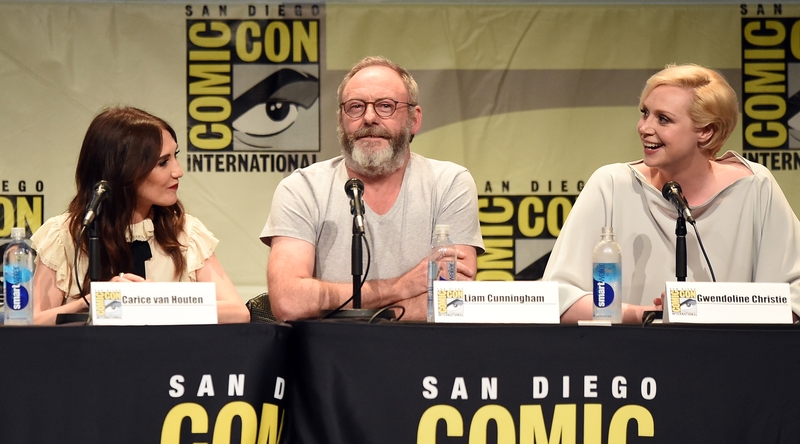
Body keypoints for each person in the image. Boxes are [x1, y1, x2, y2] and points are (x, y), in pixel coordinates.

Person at [543, 63, 800, 323]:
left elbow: (795, 296)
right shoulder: (610, 185)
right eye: (645, 113)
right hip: (629, 356)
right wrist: (651, 315)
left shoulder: (755, 188)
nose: (645, 128)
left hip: (730, 357)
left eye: (663, 119)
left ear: (706, 131)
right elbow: (559, 298)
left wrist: (710, 309)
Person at [260, 56, 484, 321]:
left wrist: (350, 314)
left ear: (414, 119)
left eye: (385, 106)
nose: (368, 117)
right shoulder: (302, 188)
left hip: (423, 354)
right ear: (341, 119)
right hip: (328, 356)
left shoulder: (449, 183)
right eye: (355, 107)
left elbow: (453, 301)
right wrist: (402, 287)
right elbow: (289, 301)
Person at [31, 107, 250, 325]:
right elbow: (32, 322)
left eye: (175, 156)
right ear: (124, 170)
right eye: (163, 162)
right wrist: (96, 301)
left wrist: (152, 302)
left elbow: (238, 312)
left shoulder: (186, 233)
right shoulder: (65, 235)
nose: (178, 171)